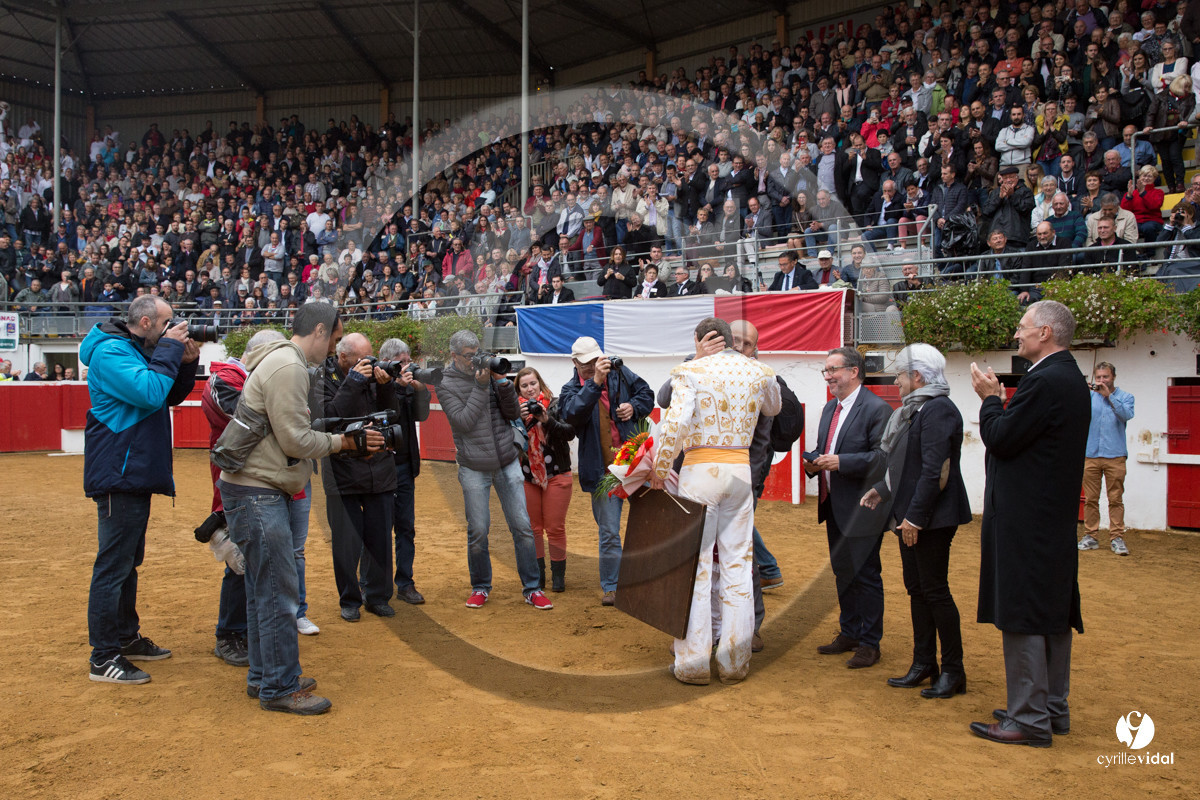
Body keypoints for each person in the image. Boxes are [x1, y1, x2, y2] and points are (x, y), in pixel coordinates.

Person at [968, 300, 1090, 747]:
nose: (1016, 335)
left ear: (1045, 333)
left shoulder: (1046, 381)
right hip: (1049, 518)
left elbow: (1001, 438)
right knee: (1051, 611)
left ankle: (1028, 718)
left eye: (1022, 328)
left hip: (1026, 519)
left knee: (1022, 611)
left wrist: (990, 401)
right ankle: (1050, 707)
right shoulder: (1068, 377)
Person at [650, 318, 781, 685]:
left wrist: (660, 470)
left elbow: (673, 424)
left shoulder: (689, 371)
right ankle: (734, 661)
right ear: (728, 340)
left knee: (698, 567)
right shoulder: (760, 371)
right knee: (738, 564)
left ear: (698, 339)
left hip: (699, 472)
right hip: (739, 470)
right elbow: (772, 408)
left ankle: (692, 663)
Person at [81, 295, 199, 684]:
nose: (173, 329)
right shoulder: (110, 353)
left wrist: (186, 364)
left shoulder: (136, 349)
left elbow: (165, 396)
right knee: (113, 566)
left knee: (128, 563)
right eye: (167, 323)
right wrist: (168, 348)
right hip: (119, 472)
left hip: (133, 471)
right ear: (146, 322)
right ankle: (103, 656)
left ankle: (124, 637)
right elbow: (148, 392)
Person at [860, 344, 971, 698]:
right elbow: (903, 464)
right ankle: (925, 663)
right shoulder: (916, 410)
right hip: (912, 515)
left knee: (935, 592)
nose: (897, 380)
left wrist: (914, 518)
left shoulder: (936, 409)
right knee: (918, 590)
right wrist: (882, 489)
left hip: (929, 519)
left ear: (918, 377)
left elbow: (934, 470)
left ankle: (953, 670)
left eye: (901, 374)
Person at [201, 329, 312, 668]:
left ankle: (254, 635)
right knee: (243, 562)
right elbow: (265, 422)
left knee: (267, 562)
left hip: (270, 481)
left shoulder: (244, 378)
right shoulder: (225, 378)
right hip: (248, 484)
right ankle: (230, 634)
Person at [437, 330, 552, 610]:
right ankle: (480, 586)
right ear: (454, 356)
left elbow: (513, 414)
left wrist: (501, 383)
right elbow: (463, 421)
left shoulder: (488, 372)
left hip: (506, 460)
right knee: (478, 529)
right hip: (473, 466)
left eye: (477, 351)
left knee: (522, 527)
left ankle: (533, 588)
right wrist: (480, 386)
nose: (474, 359)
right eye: (468, 355)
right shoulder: (445, 382)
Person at [804, 347, 891, 670]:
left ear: (854, 371)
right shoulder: (830, 409)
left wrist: (841, 463)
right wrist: (812, 462)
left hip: (864, 507)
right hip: (834, 505)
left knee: (866, 575)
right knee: (843, 572)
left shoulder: (877, 409)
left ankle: (870, 643)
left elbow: (882, 459)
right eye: (825, 371)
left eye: (833, 370)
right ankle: (850, 632)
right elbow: (825, 450)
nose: (828, 377)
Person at [559, 336, 655, 605]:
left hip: (635, 463)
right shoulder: (570, 390)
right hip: (604, 471)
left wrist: (633, 406)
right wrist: (594, 383)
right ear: (575, 363)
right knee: (609, 531)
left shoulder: (620, 373)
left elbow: (647, 394)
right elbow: (572, 416)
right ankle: (612, 586)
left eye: (595, 361)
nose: (593, 367)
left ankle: (649, 578)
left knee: (651, 523)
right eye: (587, 364)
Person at [315, 332, 400, 621]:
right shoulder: (323, 378)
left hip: (380, 469)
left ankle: (377, 596)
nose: (368, 362)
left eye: (370, 356)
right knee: (346, 542)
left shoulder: (376, 375)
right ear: (343, 358)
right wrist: (353, 382)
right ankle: (349, 599)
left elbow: (392, 416)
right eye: (361, 359)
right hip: (342, 473)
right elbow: (328, 417)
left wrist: (387, 388)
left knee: (380, 539)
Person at [376, 338, 431, 604]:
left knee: (406, 527)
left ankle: (405, 582)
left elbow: (422, 416)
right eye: (402, 362)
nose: (407, 366)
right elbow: (388, 416)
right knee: (379, 527)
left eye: (408, 361)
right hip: (381, 467)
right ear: (388, 363)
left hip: (406, 466)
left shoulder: (408, 386)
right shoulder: (377, 385)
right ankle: (374, 583)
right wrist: (397, 388)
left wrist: (420, 389)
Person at [516, 367, 575, 592]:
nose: (530, 389)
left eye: (533, 383)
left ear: (540, 383)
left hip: (558, 473)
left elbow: (569, 433)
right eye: (524, 385)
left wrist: (546, 419)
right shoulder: (514, 410)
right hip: (527, 475)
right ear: (518, 389)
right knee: (533, 528)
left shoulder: (556, 404)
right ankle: (538, 576)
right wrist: (518, 419)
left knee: (555, 527)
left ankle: (558, 577)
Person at [1078, 362, 1135, 556]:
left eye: (1106, 377)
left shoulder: (1126, 397)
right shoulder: (1088, 397)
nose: (1102, 381)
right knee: (1091, 499)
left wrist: (1109, 396)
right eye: (1099, 377)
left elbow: (1126, 415)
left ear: (1113, 377)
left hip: (1115, 456)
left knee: (1115, 499)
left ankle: (1117, 538)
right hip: (1090, 455)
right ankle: (1091, 536)